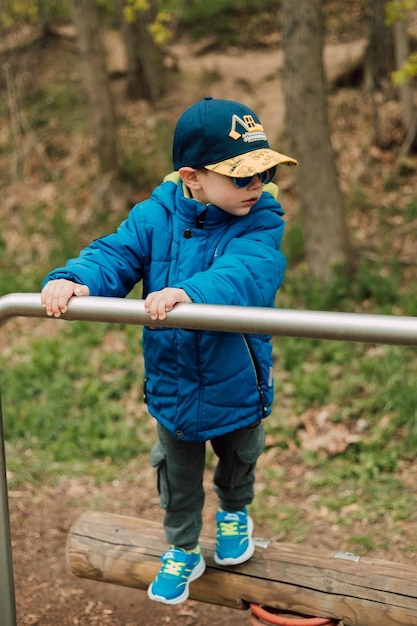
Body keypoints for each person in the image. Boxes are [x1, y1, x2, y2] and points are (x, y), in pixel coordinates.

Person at [41, 96, 297, 605]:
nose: (257, 186)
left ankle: (233, 514)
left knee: (238, 461)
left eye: (264, 173)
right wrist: (77, 280)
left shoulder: (262, 219)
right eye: (242, 176)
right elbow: (114, 254)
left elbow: (251, 271)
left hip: (237, 380)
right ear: (192, 177)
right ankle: (182, 547)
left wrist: (191, 293)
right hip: (173, 382)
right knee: (176, 476)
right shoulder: (152, 216)